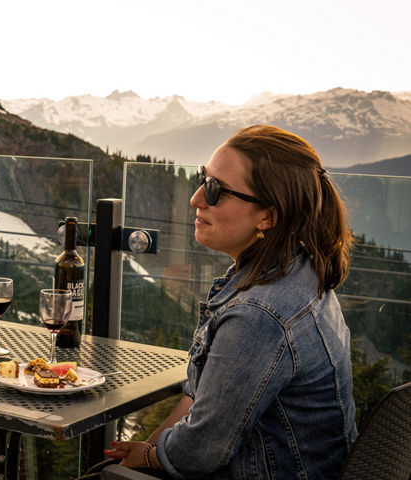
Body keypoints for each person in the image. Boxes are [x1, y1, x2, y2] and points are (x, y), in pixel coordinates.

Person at [102, 125, 357, 479]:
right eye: (203, 178)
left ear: (268, 216)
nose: (196, 199)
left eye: (215, 190)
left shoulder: (259, 314)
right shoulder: (297, 271)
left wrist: (147, 457)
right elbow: (201, 400)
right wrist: (149, 452)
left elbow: (199, 453)